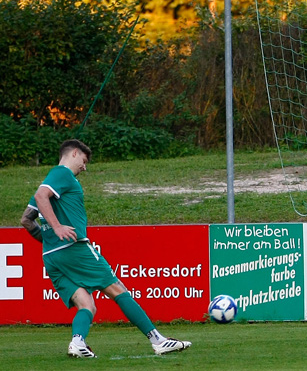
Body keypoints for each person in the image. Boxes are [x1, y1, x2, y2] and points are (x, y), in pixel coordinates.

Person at [20, 139, 191, 358]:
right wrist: (57, 227)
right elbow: (41, 196)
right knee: (117, 289)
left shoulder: (51, 182)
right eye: (83, 160)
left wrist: (51, 240)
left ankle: (77, 343)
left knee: (87, 305)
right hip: (75, 248)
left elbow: (26, 219)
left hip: (52, 258)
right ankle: (158, 341)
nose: (85, 166)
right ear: (73, 153)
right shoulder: (62, 174)